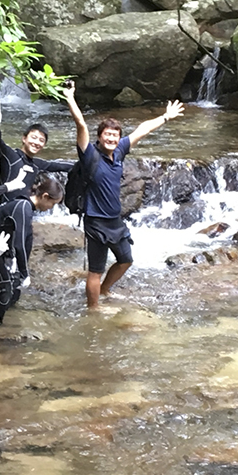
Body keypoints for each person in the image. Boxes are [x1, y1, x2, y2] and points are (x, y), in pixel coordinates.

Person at [63, 82, 184, 309]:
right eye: (107, 135)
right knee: (95, 270)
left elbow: (142, 129)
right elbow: (80, 124)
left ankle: (106, 290)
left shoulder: (119, 152)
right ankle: (93, 309)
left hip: (115, 221)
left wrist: (165, 117)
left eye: (115, 136)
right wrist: (70, 97)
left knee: (126, 260)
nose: (111, 139)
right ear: (99, 137)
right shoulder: (89, 155)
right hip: (96, 222)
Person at [0, 176, 63, 321]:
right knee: (5, 286)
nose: (51, 208)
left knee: (7, 284)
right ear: (45, 196)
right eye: (52, 204)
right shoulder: (23, 207)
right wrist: (24, 273)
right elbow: (19, 244)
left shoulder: (24, 206)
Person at [0, 95, 73, 202]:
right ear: (24, 138)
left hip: (24, 211)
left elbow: (61, 166)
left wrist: (87, 161)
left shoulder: (37, 164)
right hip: (6, 211)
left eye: (41, 140)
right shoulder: (10, 156)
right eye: (34, 137)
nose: (36, 142)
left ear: (44, 145)